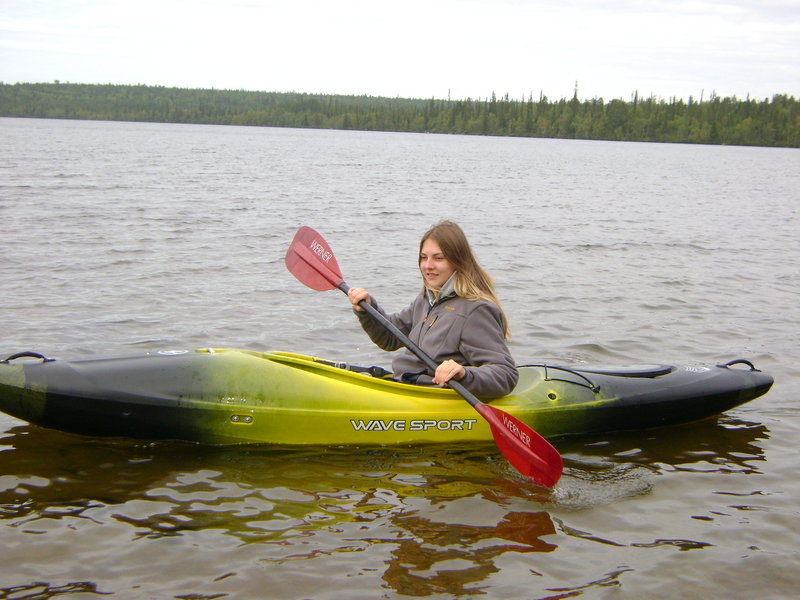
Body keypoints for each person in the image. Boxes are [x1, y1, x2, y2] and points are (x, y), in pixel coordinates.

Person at [347, 220, 518, 399]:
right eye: (424, 257)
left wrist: (463, 374)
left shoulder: (475, 310)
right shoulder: (426, 300)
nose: (428, 266)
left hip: (430, 397)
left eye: (438, 258)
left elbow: (505, 374)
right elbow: (390, 338)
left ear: (458, 261)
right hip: (404, 386)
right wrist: (367, 309)